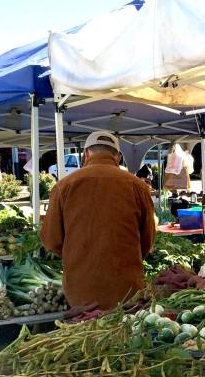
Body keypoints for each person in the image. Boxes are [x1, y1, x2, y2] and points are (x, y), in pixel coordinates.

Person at [40, 131, 156, 310]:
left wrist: (80, 256)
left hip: (81, 290)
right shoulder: (138, 186)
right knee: (128, 335)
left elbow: (51, 241)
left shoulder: (64, 186)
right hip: (126, 289)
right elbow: (147, 240)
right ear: (117, 157)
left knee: (85, 336)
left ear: (85, 154)